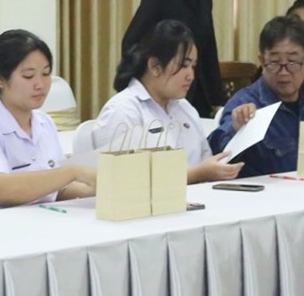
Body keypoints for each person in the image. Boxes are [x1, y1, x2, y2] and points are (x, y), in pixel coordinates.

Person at [0, 30, 96, 212]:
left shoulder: (44, 123)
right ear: (0, 78)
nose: (40, 85)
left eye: (46, 73)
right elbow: (0, 190)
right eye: (28, 76)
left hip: (36, 221)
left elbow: (56, 190)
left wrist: (96, 187)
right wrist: (72, 172)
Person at [95, 19, 244, 184]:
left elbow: (206, 161)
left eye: (193, 67)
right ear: (155, 66)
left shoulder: (185, 108)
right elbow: (120, 181)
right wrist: (197, 174)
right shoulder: (123, 110)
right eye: (184, 65)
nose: (191, 76)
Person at [209, 16, 304, 177]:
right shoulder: (245, 103)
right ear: (262, 61)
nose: (284, 72)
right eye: (274, 62)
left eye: (292, 62)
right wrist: (235, 128)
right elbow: (216, 156)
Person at [119, 0, 224, 118]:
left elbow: (209, 49)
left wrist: (218, 101)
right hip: (163, 94)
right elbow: (131, 43)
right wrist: (156, 77)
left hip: (196, 91)